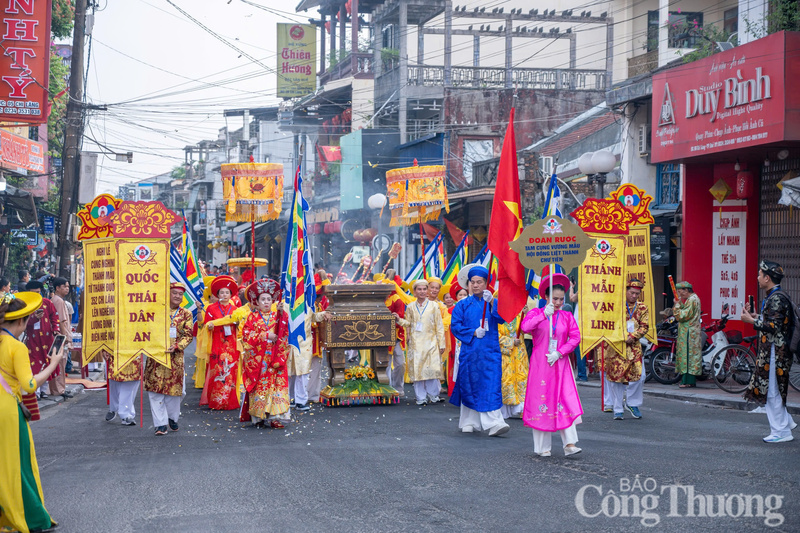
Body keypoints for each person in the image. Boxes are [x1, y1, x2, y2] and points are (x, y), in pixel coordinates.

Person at [0, 292, 65, 533]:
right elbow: (29, 385)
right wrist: (53, 363)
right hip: (7, 410)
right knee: (19, 464)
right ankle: (32, 518)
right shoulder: (16, 346)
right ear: (20, 321)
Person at [520, 273, 583, 457]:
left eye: (561, 299)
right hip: (541, 364)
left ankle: (570, 444)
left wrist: (560, 352)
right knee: (542, 399)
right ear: (546, 297)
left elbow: (576, 337)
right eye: (554, 299)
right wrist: (542, 316)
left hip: (560, 364)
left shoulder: (567, 316)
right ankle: (542, 447)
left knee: (564, 399)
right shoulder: (536, 313)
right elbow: (525, 327)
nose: (558, 302)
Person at [449, 265, 510, 436]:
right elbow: (455, 327)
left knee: (490, 385)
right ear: (468, 284)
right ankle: (469, 421)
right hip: (470, 352)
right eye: (472, 282)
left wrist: (491, 302)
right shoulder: (462, 305)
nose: (475, 285)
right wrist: (473, 332)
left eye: (479, 282)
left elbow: (502, 318)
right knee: (470, 384)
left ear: (486, 284)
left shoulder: (492, 302)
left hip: (490, 353)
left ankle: (495, 422)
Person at [741, 261, 797, 443]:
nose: (757, 278)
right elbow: (772, 320)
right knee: (774, 388)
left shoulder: (776, 298)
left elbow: (774, 326)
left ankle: (781, 431)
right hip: (774, 351)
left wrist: (750, 321)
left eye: (759, 275)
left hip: (776, 352)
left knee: (773, 389)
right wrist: (756, 317)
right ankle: (786, 422)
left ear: (767, 278)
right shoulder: (775, 296)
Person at [144, 283, 194, 436]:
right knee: (155, 390)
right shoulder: (155, 311)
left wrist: (178, 346)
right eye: (174, 293)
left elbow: (188, 335)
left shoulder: (186, 314)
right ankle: (160, 424)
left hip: (175, 358)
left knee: (175, 391)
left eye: (180, 294)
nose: (177, 296)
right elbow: (145, 329)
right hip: (156, 357)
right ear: (168, 293)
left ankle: (172, 417)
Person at [240, 279, 291, 428]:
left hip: (274, 357)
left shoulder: (278, 316)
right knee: (260, 387)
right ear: (257, 301)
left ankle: (275, 417)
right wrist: (265, 336)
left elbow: (285, 332)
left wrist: (282, 313)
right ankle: (259, 417)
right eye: (263, 299)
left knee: (274, 387)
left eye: (269, 299)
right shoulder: (252, 317)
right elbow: (247, 336)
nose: (266, 302)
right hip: (259, 360)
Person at [393, 279, 446, 405]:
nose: (422, 292)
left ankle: (434, 395)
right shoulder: (411, 307)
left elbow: (439, 326)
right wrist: (398, 320)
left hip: (431, 342)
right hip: (416, 343)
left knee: (431, 370)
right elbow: (409, 323)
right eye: (419, 289)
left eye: (424, 289)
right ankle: (420, 397)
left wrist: (441, 343)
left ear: (427, 291)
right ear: (414, 292)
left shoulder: (434, 306)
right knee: (417, 370)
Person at [605, 279, 649, 420]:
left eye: (637, 294)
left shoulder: (642, 308)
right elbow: (608, 323)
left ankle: (632, 403)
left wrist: (634, 336)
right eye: (632, 293)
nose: (634, 296)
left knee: (639, 376)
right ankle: (617, 408)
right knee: (616, 377)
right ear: (625, 291)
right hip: (616, 346)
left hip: (634, 347)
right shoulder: (615, 306)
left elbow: (645, 326)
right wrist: (622, 336)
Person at [202, 275, 241, 410]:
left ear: (231, 295)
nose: (224, 295)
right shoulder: (211, 309)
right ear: (217, 294)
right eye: (222, 292)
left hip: (231, 344)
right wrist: (210, 326)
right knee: (217, 370)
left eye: (227, 292)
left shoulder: (236, 310)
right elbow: (206, 324)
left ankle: (230, 401)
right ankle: (216, 401)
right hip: (217, 342)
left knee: (231, 371)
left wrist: (237, 324)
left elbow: (241, 327)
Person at [499, 305, 529, 419]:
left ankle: (521, 409)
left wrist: (526, 315)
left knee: (521, 378)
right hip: (505, 353)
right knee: (506, 378)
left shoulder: (518, 315)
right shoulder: (497, 317)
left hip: (519, 354)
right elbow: (494, 334)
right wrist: (510, 342)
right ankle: (505, 410)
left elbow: (528, 330)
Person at [383, 270, 408, 398]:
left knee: (400, 363)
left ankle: (398, 388)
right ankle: (386, 388)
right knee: (384, 363)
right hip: (382, 336)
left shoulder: (397, 299)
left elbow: (401, 318)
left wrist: (394, 318)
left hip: (397, 336)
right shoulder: (379, 299)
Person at [673, 281, 702, 388]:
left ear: (686, 290)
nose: (680, 294)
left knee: (688, 357)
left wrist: (676, 306)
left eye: (680, 292)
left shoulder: (692, 300)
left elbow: (683, 315)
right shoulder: (692, 299)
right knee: (690, 356)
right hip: (689, 332)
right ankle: (687, 380)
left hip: (689, 333)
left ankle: (687, 381)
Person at [48, 277, 73, 400]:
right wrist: (66, 337)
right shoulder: (59, 301)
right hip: (60, 337)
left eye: (68, 286)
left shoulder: (56, 300)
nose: (67, 289)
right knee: (60, 364)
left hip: (58, 336)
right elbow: (61, 321)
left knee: (59, 363)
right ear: (57, 288)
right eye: (65, 286)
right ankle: (59, 389)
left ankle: (58, 388)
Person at [308, 274, 331, 403]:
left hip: (317, 341)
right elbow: (312, 320)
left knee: (316, 369)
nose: (322, 296)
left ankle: (313, 395)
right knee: (306, 370)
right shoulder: (308, 305)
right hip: (307, 342)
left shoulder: (318, 305)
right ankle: (306, 395)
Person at [446, 283, 469, 396]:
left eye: (465, 294)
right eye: (460, 295)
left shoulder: (471, 307)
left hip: (466, 339)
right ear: (456, 296)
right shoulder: (450, 310)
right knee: (454, 365)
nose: (463, 297)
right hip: (453, 340)